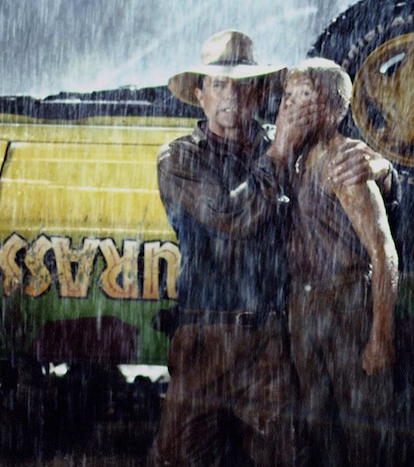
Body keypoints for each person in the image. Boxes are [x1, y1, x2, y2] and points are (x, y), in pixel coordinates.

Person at [150, 31, 395, 466]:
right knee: (178, 457)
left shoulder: (291, 142)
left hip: (269, 339)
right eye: (219, 84)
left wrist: (386, 172)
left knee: (286, 456)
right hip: (203, 337)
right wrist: (280, 151)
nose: (231, 96)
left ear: (260, 92)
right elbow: (231, 217)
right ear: (200, 95)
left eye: (243, 84)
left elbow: (351, 185)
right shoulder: (179, 158)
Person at [272, 57, 400, 466]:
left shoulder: (345, 164)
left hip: (346, 304)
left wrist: (380, 336)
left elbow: (384, 253)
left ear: (330, 108)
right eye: (287, 97)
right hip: (304, 305)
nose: (290, 106)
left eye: (303, 97)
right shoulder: (290, 156)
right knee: (316, 420)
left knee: (362, 424)